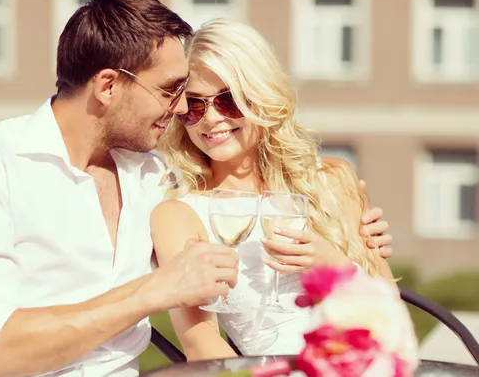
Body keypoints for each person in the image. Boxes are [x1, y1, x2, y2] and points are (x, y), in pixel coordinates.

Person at [0, 0, 241, 377]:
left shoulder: (152, 176)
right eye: (170, 89)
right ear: (107, 86)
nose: (181, 108)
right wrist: (154, 290)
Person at [150, 18, 398, 361]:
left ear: (261, 98)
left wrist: (332, 263)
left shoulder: (332, 180)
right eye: (194, 105)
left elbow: (393, 312)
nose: (210, 119)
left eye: (228, 100)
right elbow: (199, 344)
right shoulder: (180, 215)